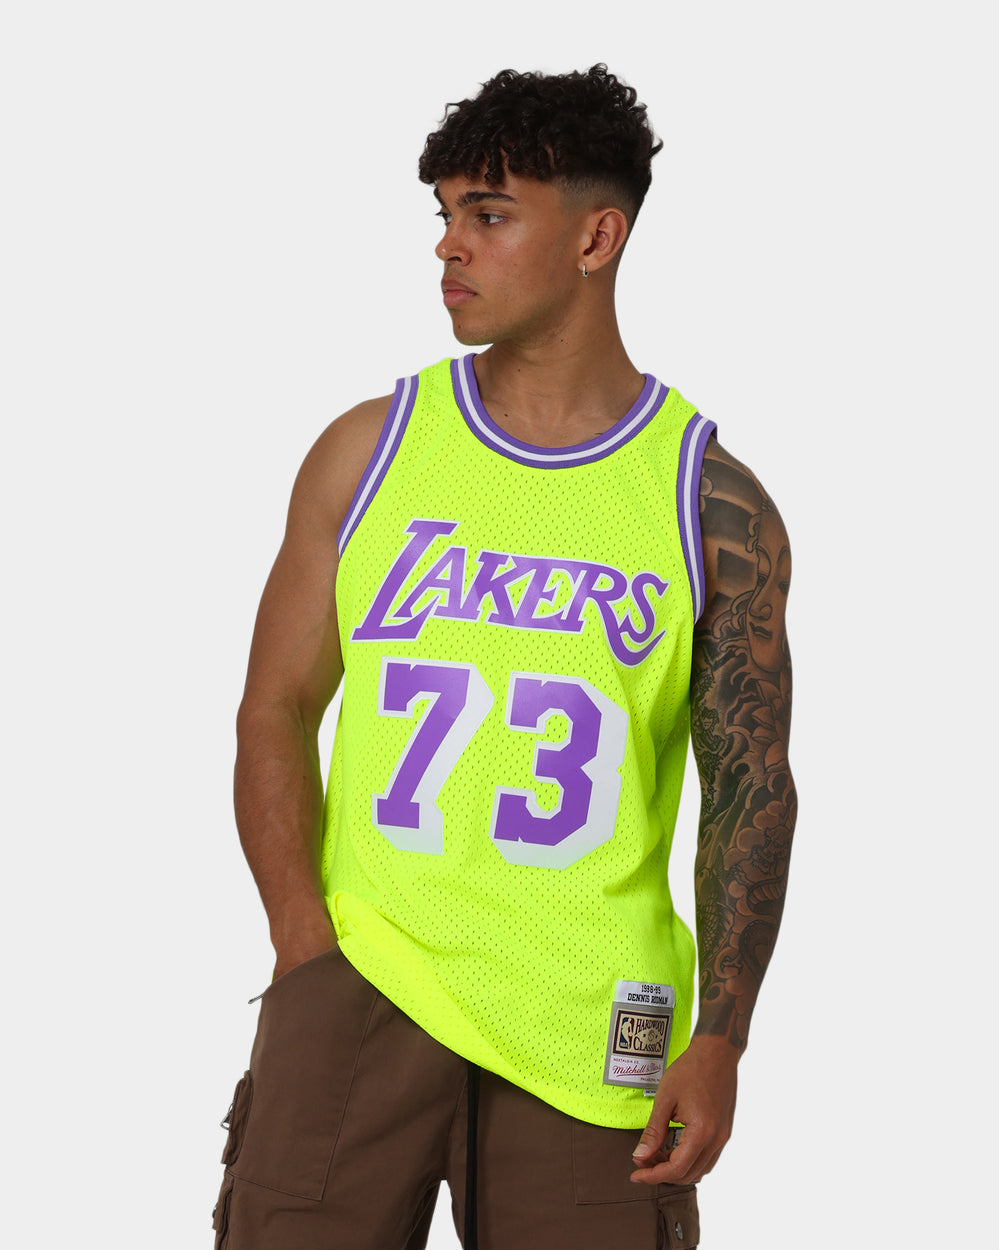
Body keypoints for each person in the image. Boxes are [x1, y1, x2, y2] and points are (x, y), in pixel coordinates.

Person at [212, 64, 796, 1250]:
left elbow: (749, 783)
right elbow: (274, 707)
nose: (448, 245)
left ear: (595, 236)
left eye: (488, 214)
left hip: (591, 1023)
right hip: (365, 983)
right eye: (444, 214)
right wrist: (305, 944)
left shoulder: (708, 502)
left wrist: (721, 1036)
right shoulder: (368, 452)